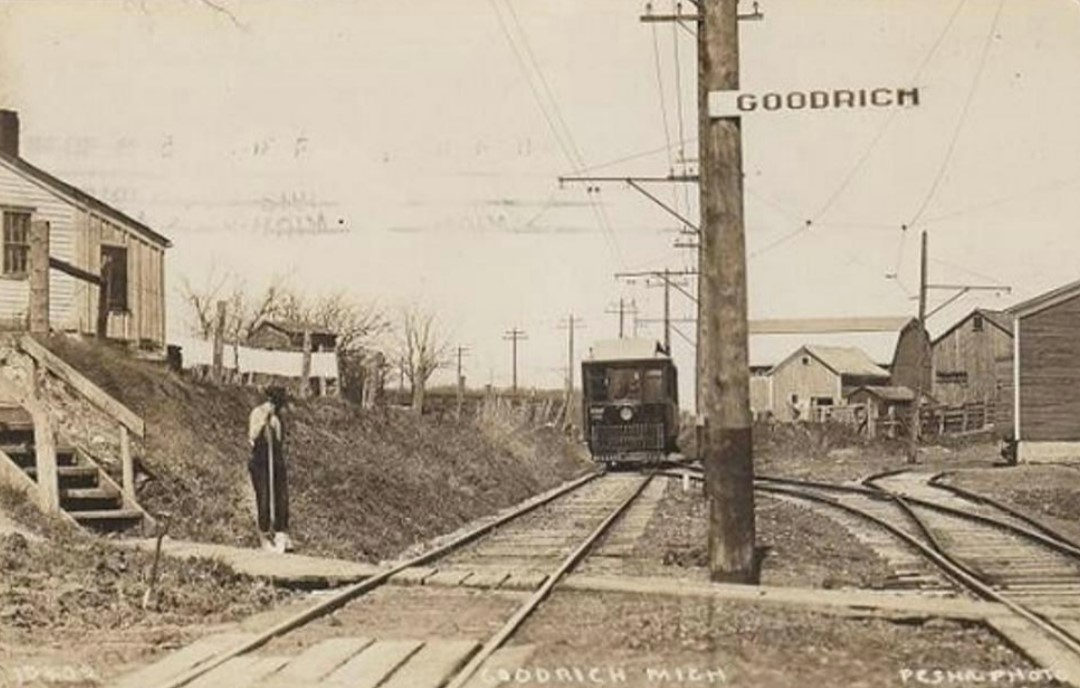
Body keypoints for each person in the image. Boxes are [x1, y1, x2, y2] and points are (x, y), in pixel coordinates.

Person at [248, 386, 292, 553]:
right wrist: (263, 421)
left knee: (281, 498)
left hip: (276, 461)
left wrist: (274, 421)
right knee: (264, 498)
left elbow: (279, 440)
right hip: (260, 462)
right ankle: (265, 537)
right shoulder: (257, 413)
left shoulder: (278, 417)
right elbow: (252, 437)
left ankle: (281, 534)